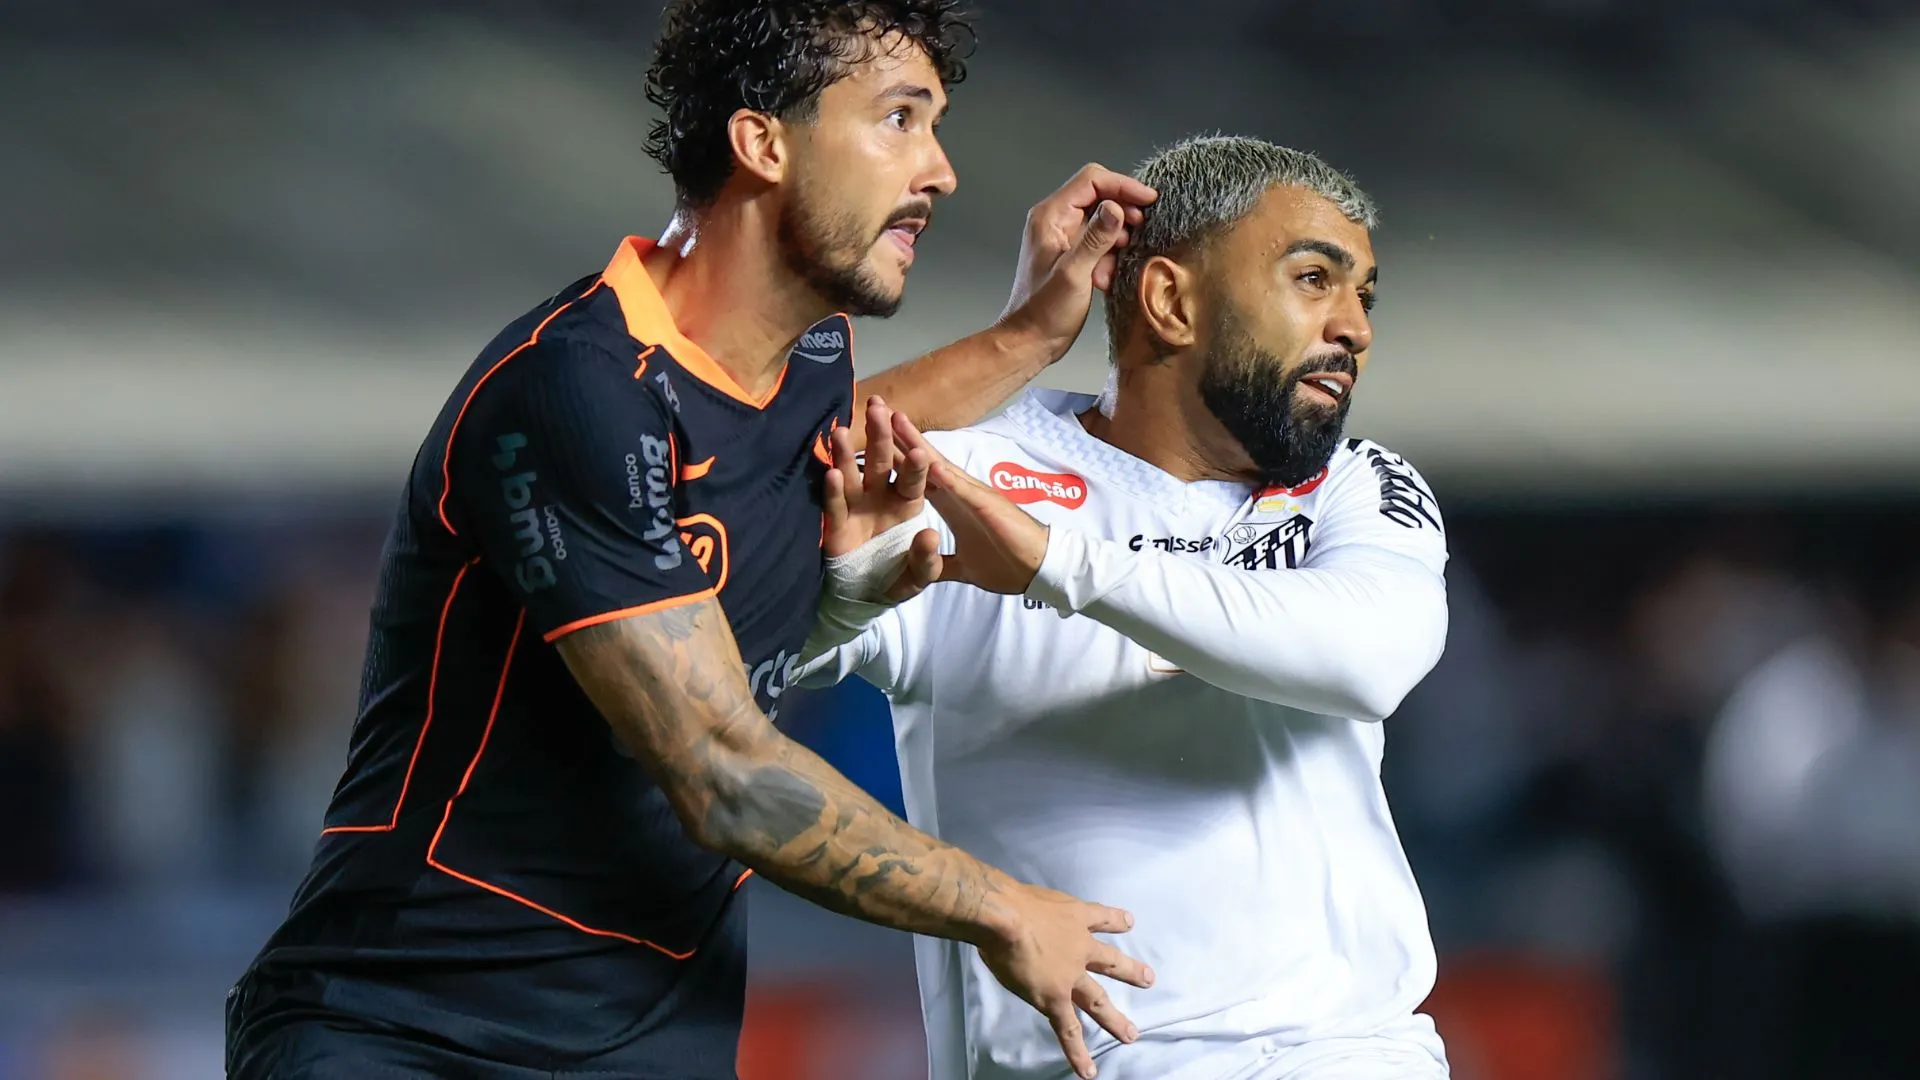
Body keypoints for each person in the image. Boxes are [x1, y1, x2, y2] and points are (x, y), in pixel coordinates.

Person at [223, 3, 1159, 1079]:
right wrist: (1000, 906)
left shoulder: (807, 357)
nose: (941, 171)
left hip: (658, 1037)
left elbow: (840, 429)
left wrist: (1031, 335)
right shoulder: (576, 391)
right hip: (412, 1027)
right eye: (900, 119)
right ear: (762, 142)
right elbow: (724, 773)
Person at [799, 135, 1453, 1080]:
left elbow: (1369, 656)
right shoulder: (969, 472)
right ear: (1170, 302)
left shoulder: (1355, 486)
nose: (1355, 327)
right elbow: (727, 593)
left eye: (1365, 296)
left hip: (1348, 1053)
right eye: (1315, 279)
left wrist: (1053, 562)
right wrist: (839, 601)